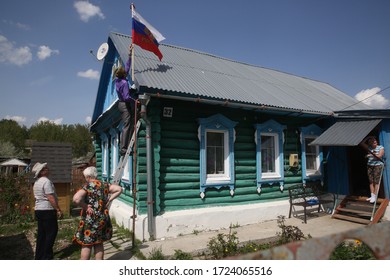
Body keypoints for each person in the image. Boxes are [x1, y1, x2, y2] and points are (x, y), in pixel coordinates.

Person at [72, 166, 122, 260]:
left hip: (90, 219)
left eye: (85, 177)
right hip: (102, 219)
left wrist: (86, 206)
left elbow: (76, 199)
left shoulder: (87, 186)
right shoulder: (105, 185)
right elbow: (119, 189)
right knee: (99, 243)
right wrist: (109, 199)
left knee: (87, 244)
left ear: (88, 176)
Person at [32, 162, 63, 260]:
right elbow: (50, 197)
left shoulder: (37, 182)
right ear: (41, 172)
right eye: (45, 168)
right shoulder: (46, 181)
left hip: (39, 209)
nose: (47, 169)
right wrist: (58, 209)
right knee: (51, 233)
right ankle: (47, 257)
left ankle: (39, 256)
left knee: (42, 234)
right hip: (47, 209)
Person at [115, 44, 138, 157]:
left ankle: (125, 145)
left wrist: (130, 54)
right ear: (124, 74)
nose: (126, 71)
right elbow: (126, 97)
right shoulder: (124, 83)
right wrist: (135, 101)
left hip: (121, 104)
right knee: (127, 125)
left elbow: (128, 66)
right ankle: (123, 149)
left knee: (127, 124)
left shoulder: (118, 80)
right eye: (125, 71)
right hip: (124, 104)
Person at [362, 136, 385, 203]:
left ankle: (375, 196)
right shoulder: (369, 148)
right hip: (370, 165)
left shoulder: (381, 147)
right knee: (371, 181)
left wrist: (370, 155)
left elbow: (380, 156)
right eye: (372, 141)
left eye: (375, 140)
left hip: (377, 165)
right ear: (370, 143)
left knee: (376, 181)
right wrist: (368, 138)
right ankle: (372, 196)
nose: (374, 142)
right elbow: (361, 143)